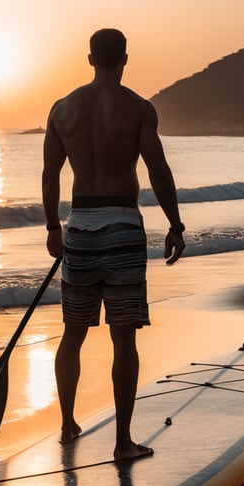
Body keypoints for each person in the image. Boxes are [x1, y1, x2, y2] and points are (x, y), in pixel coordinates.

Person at [42, 28, 186, 460]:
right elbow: (158, 170)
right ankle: (123, 442)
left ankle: (67, 425)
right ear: (125, 58)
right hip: (123, 225)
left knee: (72, 333)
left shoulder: (62, 109)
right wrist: (175, 225)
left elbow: (51, 175)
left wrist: (53, 227)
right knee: (123, 338)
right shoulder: (138, 109)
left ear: (90, 59)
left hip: (80, 226)